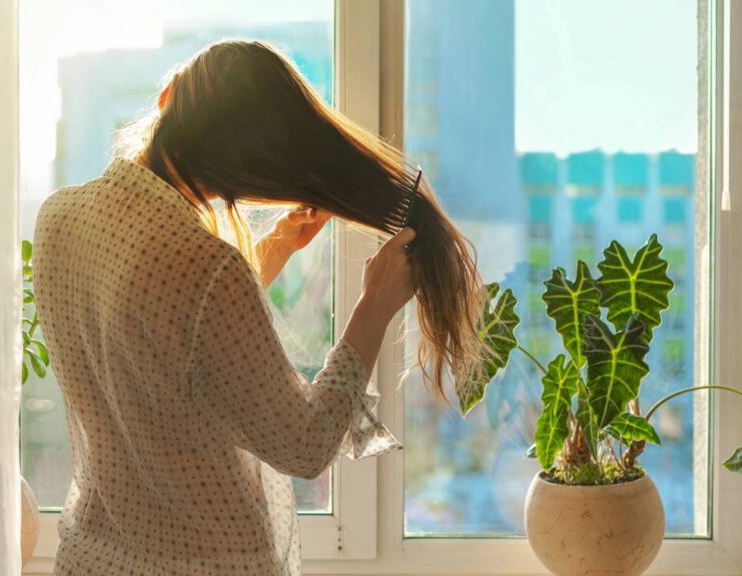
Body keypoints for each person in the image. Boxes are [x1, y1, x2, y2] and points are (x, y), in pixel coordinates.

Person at [33, 40, 489, 576]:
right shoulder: (206, 267)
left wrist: (273, 248)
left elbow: (161, 342)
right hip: (207, 564)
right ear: (253, 171)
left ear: (167, 96)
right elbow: (303, 445)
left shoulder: (59, 219)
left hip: (92, 557)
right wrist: (374, 305)